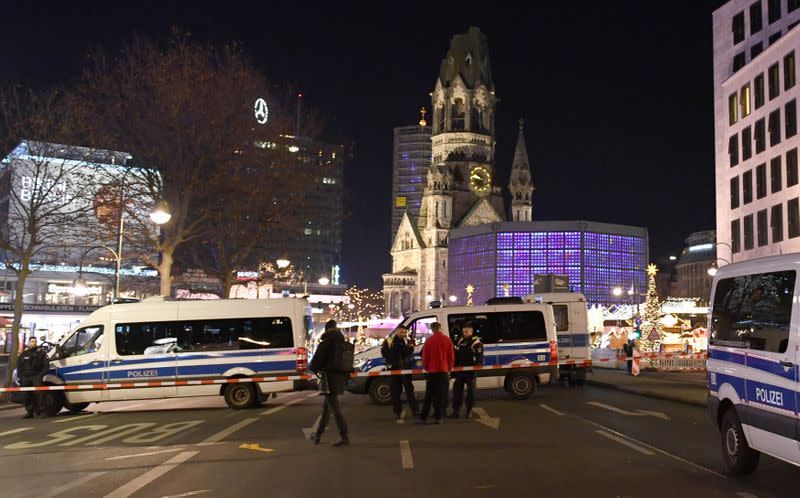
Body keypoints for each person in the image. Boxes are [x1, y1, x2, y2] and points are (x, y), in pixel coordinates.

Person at [308, 320, 350, 447]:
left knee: (335, 409)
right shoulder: (342, 343)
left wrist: (316, 369)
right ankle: (318, 435)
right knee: (327, 408)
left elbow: (314, 364)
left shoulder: (326, 344)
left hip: (329, 379)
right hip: (340, 378)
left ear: (326, 330)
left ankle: (344, 436)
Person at [417, 322, 454, 424]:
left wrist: (427, 367)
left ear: (432, 329)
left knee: (429, 395)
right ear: (440, 328)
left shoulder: (428, 341)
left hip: (432, 372)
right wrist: (449, 368)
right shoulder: (447, 340)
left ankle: (424, 416)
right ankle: (439, 417)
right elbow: (451, 356)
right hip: (443, 372)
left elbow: (425, 357)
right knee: (441, 396)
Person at [381, 325, 419, 420]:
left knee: (409, 391)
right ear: (397, 332)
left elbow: (408, 351)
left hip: (404, 368)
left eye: (404, 332)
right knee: (396, 392)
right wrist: (406, 349)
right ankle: (399, 412)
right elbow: (384, 353)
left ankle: (415, 411)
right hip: (396, 369)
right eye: (401, 332)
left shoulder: (404, 340)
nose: (403, 334)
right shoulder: (391, 341)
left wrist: (407, 349)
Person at [449, 322, 483, 418]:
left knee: (471, 393)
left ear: (471, 332)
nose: (464, 333)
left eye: (466, 332)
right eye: (464, 331)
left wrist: (475, 371)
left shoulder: (476, 342)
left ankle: (469, 411)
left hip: (471, 372)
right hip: (460, 371)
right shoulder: (461, 341)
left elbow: (479, 358)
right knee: (457, 391)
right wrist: (454, 369)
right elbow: (458, 356)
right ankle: (456, 411)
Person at [17, 336, 50, 419]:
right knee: (26, 394)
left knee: (40, 393)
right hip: (25, 377)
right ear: (29, 342)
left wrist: (41, 375)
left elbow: (46, 365)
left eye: (35, 341)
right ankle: (29, 411)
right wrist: (20, 377)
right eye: (32, 341)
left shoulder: (41, 352)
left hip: (36, 375)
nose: (34, 343)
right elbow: (19, 366)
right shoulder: (24, 353)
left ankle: (42, 411)